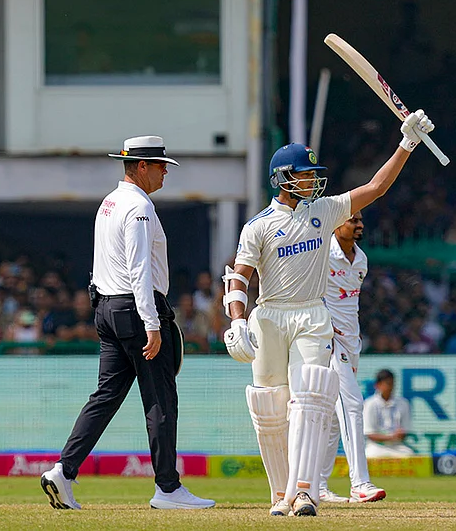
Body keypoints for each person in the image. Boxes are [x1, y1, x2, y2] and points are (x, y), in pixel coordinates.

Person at [222, 110, 435, 517]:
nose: (312, 182)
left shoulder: (324, 211)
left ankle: (304, 492)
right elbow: (239, 276)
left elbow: (376, 187)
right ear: (283, 178)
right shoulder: (258, 226)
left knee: (313, 397)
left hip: (311, 315)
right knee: (270, 407)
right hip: (270, 316)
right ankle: (279, 494)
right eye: (304, 175)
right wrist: (237, 319)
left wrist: (407, 143)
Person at [40, 136, 213, 510]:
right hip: (136, 310)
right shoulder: (139, 206)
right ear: (142, 166)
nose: (165, 172)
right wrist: (152, 322)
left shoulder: (110, 202)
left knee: (106, 396)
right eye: (160, 165)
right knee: (161, 398)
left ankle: (63, 471)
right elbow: (139, 269)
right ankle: (168, 488)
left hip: (107, 306)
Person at [317, 212, 387, 504]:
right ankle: (360, 483)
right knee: (353, 404)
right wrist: (322, 325)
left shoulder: (361, 259)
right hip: (328, 340)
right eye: (352, 220)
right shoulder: (321, 253)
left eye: (360, 220)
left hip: (351, 340)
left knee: (336, 417)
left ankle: (318, 485)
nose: (359, 225)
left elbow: (350, 304)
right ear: (336, 224)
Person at [362, 369, 415, 458]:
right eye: (387, 384)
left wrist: (400, 434)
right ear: (377, 385)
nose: (390, 387)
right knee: (370, 455)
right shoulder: (369, 403)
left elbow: (405, 430)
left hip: (397, 446)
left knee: (409, 455)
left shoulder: (403, 403)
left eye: (392, 384)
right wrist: (391, 437)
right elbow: (370, 434)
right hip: (376, 446)